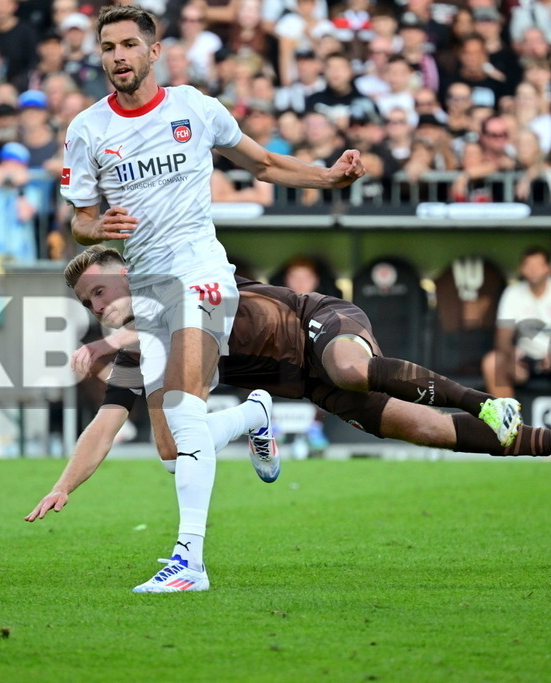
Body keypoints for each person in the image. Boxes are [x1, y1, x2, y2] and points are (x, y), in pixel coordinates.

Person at [58, 6, 366, 594]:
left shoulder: (193, 108)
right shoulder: (86, 130)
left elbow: (265, 163)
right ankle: (256, 415)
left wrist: (328, 178)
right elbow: (81, 222)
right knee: (173, 447)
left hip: (201, 275)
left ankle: (189, 563)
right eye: (107, 47)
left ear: (154, 52)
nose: (117, 56)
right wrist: (99, 230)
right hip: (146, 289)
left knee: (182, 410)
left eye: (128, 45)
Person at [24, 245, 551, 531]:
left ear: (126, 272)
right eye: (87, 304)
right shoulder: (141, 348)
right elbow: (104, 424)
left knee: (352, 369)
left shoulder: (177, 271)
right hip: (302, 382)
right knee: (424, 429)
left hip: (318, 322)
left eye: (99, 292)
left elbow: (163, 310)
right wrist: (63, 485)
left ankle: (488, 401)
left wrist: (106, 344)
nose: (96, 307)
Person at [482, 247, 551, 424]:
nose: (533, 270)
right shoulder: (513, 293)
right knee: (491, 362)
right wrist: (512, 355)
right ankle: (511, 425)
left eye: (538, 265)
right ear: (521, 269)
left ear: (548, 268)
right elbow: (502, 338)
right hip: (525, 358)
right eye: (528, 265)